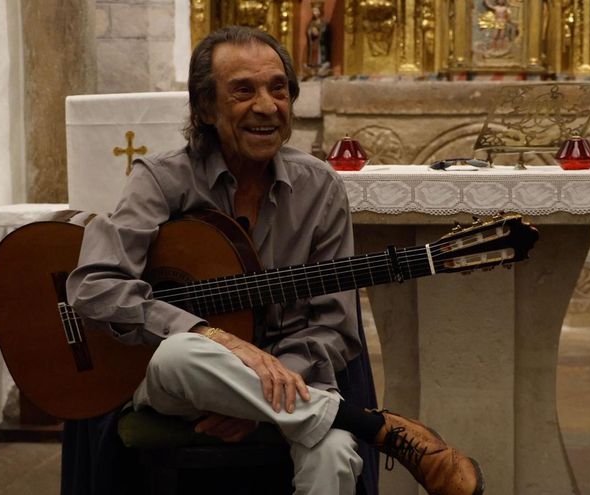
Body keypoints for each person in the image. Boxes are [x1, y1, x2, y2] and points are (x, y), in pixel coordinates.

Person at [65, 26, 484, 495]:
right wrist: (213, 335)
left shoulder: (319, 188)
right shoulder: (162, 179)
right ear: (205, 108)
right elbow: (94, 285)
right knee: (180, 352)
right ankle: (381, 430)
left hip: (294, 381)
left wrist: (255, 394)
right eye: (243, 90)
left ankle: (348, 428)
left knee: (335, 454)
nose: (266, 106)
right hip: (175, 382)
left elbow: (335, 325)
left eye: (278, 89)